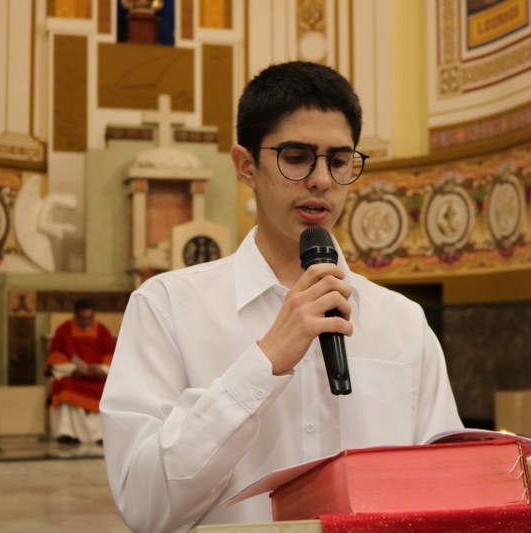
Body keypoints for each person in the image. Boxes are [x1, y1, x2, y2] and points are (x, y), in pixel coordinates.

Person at [100, 61, 463, 533]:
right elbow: (145, 507)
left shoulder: (403, 322)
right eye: (296, 157)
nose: (321, 180)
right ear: (246, 165)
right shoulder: (167, 307)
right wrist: (263, 363)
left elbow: (444, 493)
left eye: (338, 161)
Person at [46, 297, 115, 444]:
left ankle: (101, 434)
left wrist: (103, 370)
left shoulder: (101, 330)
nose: (86, 322)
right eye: (83, 318)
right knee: (64, 387)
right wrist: (72, 370)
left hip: (97, 378)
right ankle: (67, 432)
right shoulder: (64, 330)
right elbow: (56, 356)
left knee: (108, 389)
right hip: (73, 376)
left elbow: (112, 355)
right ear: (76, 315)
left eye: (90, 318)